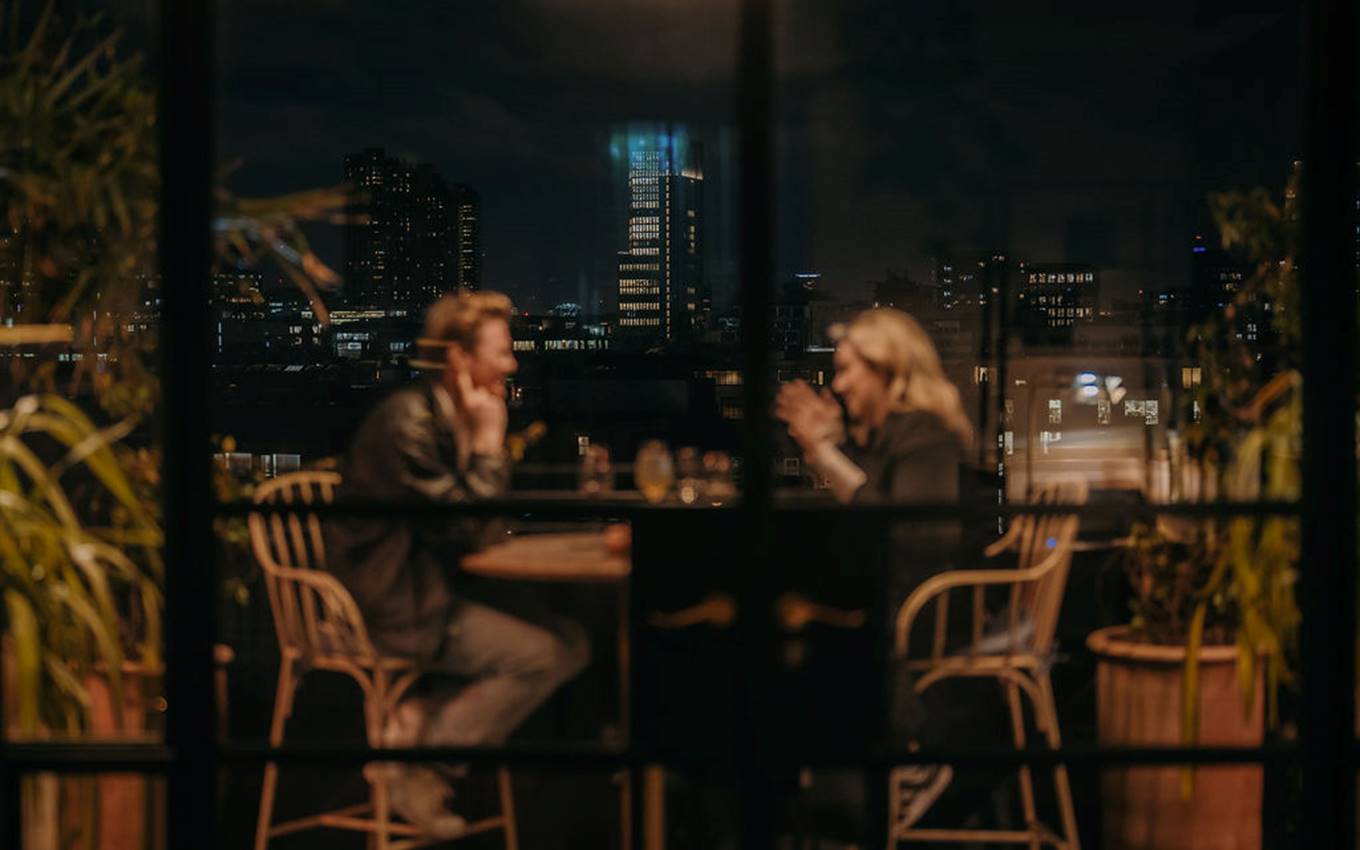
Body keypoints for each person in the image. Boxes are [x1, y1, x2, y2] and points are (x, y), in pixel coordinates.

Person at [325, 291, 590, 836]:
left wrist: (478, 441)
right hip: (390, 602)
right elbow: (470, 528)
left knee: (573, 643)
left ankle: (418, 725)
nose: (513, 363)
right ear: (459, 359)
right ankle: (421, 771)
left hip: (430, 587)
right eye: (501, 350)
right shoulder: (410, 423)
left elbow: (479, 531)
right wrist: (489, 445)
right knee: (540, 654)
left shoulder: (447, 414)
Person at [775, 307, 994, 833]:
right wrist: (833, 447)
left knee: (805, 625)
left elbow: (909, 533)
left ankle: (902, 763)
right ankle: (810, 772)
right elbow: (871, 506)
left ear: (889, 372)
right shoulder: (891, 437)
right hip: (904, 593)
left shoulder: (926, 432)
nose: (840, 384)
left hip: (931, 605)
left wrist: (829, 453)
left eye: (849, 370)